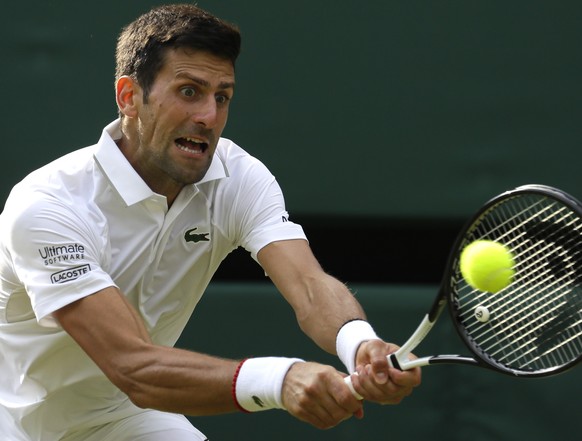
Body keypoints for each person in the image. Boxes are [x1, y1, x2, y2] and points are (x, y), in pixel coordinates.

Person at [0, 4, 421, 440]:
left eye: (222, 96)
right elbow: (133, 366)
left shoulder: (237, 177)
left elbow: (310, 287)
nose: (209, 117)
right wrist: (279, 379)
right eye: (189, 91)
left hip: (120, 417)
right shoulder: (48, 207)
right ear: (128, 97)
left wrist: (361, 345)